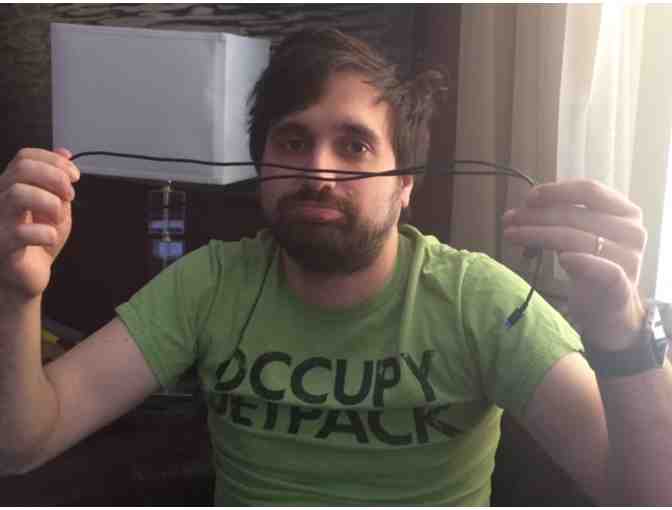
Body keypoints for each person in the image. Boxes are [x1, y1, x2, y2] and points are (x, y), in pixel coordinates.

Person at [1, 28, 670, 506]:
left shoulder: (479, 300)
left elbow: (648, 494)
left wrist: (625, 329)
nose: (318, 171)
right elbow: (23, 442)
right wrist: (13, 294)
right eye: (294, 141)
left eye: (354, 146)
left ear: (405, 184)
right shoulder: (210, 283)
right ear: (261, 168)